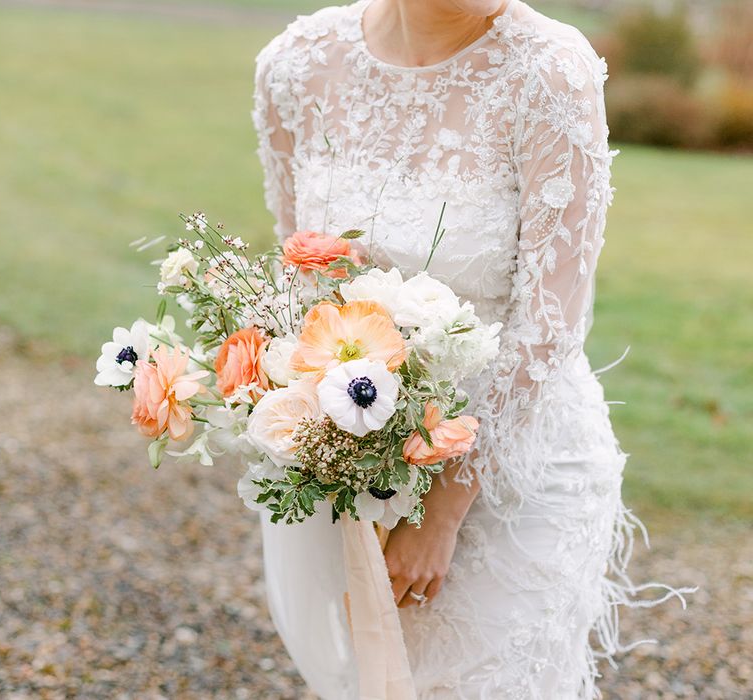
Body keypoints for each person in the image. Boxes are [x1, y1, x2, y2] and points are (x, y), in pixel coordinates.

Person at [252, 1, 681, 697]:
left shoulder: (550, 72)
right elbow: (301, 279)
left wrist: (443, 511)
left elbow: (549, 323)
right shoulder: (297, 65)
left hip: (515, 467)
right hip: (363, 459)